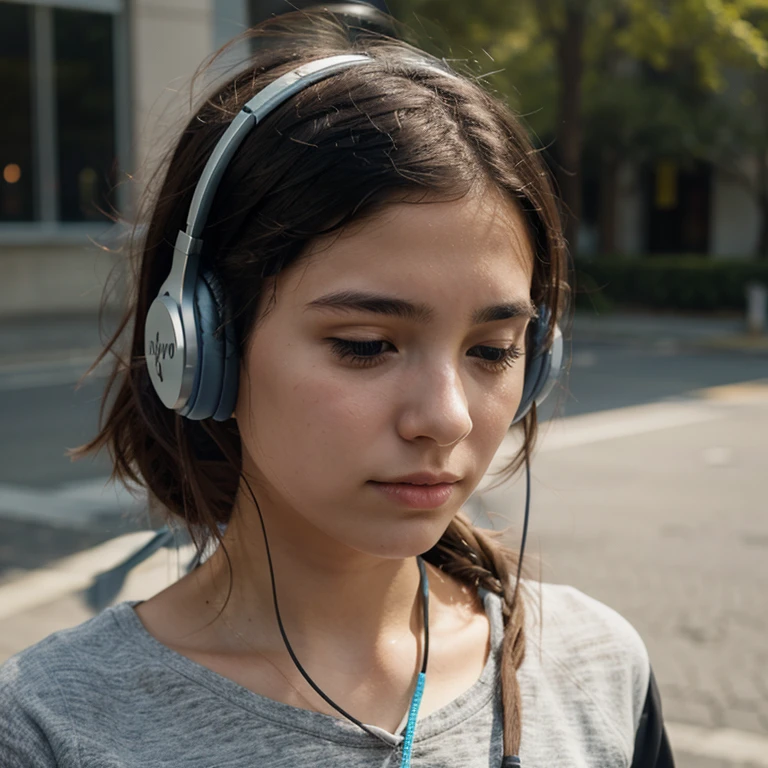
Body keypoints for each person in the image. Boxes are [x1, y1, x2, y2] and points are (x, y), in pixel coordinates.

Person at [0, 11, 674, 767]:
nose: (446, 418)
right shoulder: (49, 727)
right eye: (366, 346)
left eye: (492, 350)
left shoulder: (600, 670)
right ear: (195, 346)